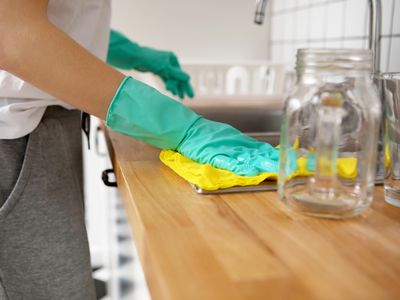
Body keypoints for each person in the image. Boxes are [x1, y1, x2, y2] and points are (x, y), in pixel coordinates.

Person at [0, 1, 279, 299]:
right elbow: (11, 34)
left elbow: (57, 16)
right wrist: (182, 127)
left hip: (36, 130)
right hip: (13, 138)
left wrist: (135, 53)